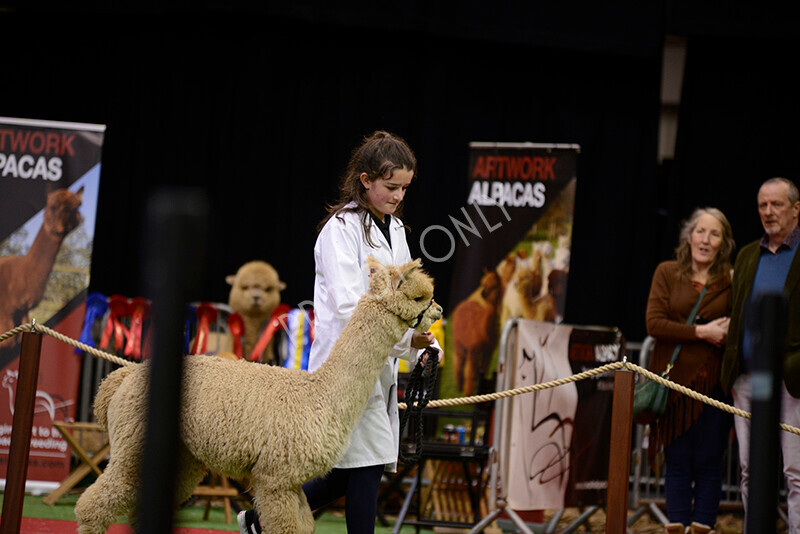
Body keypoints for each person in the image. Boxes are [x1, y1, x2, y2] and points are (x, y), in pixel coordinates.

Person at [238, 130, 442, 534]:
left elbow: (406, 301)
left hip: (376, 366)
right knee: (364, 466)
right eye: (390, 187)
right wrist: (405, 340)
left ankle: (258, 523)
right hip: (344, 368)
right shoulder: (339, 230)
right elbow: (353, 307)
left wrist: (424, 342)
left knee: (354, 466)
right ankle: (261, 521)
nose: (398, 196)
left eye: (404, 188)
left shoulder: (397, 232)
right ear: (365, 180)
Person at [645, 207, 735, 534]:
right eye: (700, 231)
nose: (706, 240)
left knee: (709, 463)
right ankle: (676, 527)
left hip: (714, 388)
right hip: (674, 386)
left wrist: (725, 334)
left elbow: (738, 330)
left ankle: (702, 528)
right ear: (689, 235)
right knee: (678, 461)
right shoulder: (667, 272)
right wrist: (703, 333)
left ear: (724, 243)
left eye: (714, 234)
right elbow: (654, 323)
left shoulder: (732, 280)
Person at [720, 177, 800, 533]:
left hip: (792, 380)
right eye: (762, 205)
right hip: (748, 379)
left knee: (796, 472)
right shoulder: (748, 254)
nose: (768, 212)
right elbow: (738, 315)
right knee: (751, 471)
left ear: (796, 208)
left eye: (776, 204)